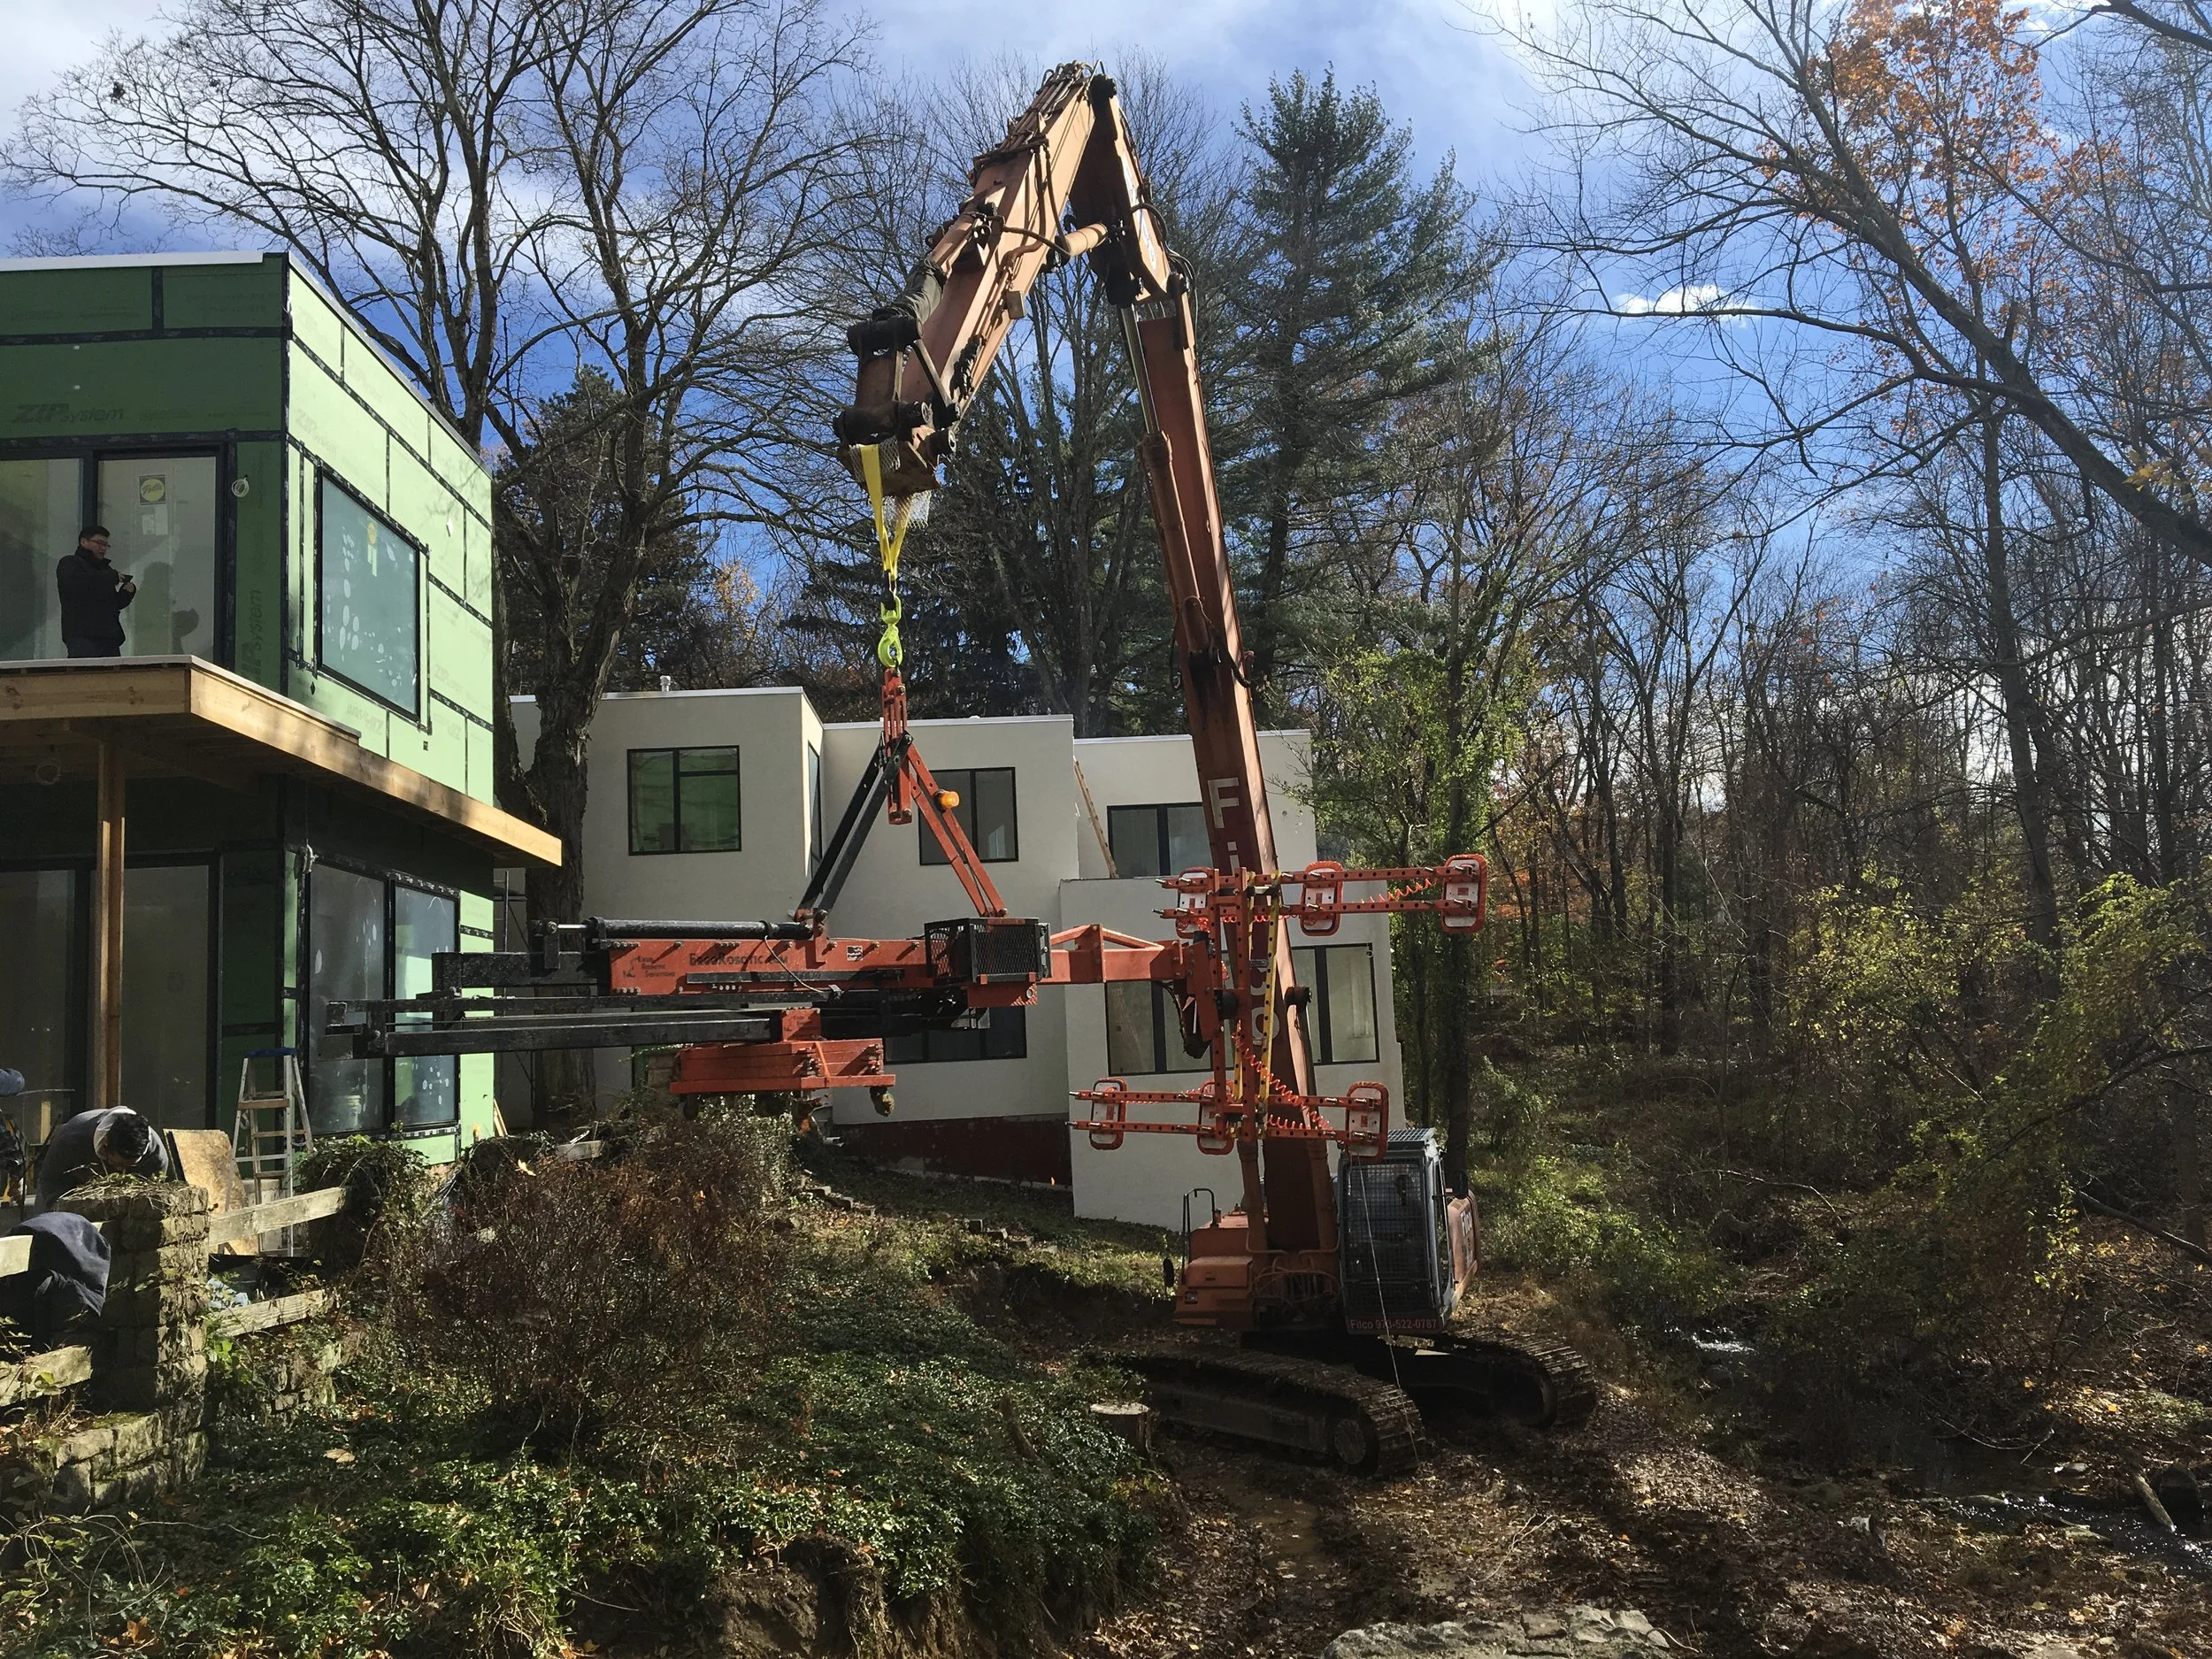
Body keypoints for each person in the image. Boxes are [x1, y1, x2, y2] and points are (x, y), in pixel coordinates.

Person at [34, 1105, 170, 1211]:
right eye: (116, 1163)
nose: (119, 1170)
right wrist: (62, 1210)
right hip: (68, 1189)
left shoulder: (156, 1157)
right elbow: (50, 1180)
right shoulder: (71, 1138)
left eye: (129, 1166)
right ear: (105, 1145)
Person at [55, 525, 135, 659]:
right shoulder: (70, 562)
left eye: (106, 545)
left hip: (109, 637)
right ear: (83, 542)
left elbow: (112, 603)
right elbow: (76, 584)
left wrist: (126, 594)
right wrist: (111, 577)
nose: (103, 548)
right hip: (83, 636)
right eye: (99, 543)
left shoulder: (105, 570)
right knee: (85, 676)